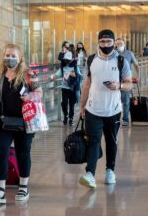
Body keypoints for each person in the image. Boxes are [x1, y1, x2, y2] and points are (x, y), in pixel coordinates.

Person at [0, 44, 43, 204]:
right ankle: (0, 190)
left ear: (20, 58)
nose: (9, 58)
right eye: (7, 55)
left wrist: (29, 97)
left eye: (13, 56)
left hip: (24, 122)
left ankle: (23, 187)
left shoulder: (29, 74)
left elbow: (39, 93)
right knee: (1, 154)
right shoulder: (0, 75)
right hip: (2, 121)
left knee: (22, 153)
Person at [78, 29, 132, 188]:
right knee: (93, 142)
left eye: (109, 42)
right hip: (93, 109)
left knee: (111, 141)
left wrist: (119, 85)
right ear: (98, 42)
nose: (106, 44)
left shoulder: (122, 61)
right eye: (102, 42)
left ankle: (110, 170)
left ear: (114, 43)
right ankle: (90, 174)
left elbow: (129, 83)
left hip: (113, 110)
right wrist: (82, 105)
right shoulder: (91, 60)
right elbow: (87, 84)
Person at [51, 51, 81, 126]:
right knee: (64, 103)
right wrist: (52, 77)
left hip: (72, 88)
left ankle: (71, 118)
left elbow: (80, 76)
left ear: (72, 59)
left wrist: (73, 74)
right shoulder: (63, 67)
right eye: (66, 59)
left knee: (72, 104)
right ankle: (65, 115)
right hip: (64, 88)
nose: (67, 61)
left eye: (69, 59)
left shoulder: (75, 67)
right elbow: (57, 74)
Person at [115, 38, 140, 126]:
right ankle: (116, 119)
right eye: (117, 44)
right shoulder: (113, 54)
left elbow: (136, 64)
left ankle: (125, 119)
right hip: (115, 80)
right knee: (115, 100)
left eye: (120, 43)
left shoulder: (129, 53)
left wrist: (138, 76)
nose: (119, 45)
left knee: (125, 101)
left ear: (124, 44)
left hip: (126, 80)